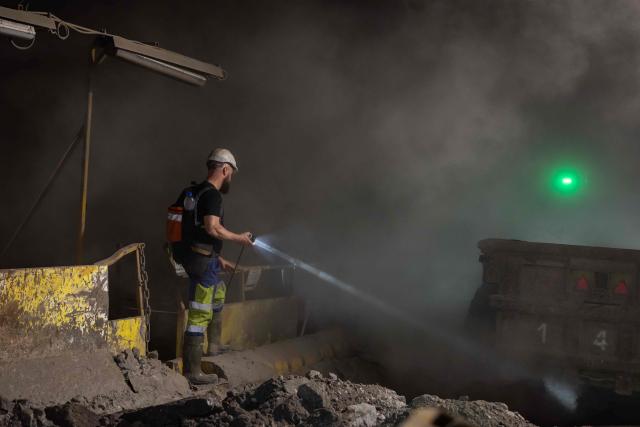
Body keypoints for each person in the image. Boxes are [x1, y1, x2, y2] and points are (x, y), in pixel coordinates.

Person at [176, 148, 253, 385]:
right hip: (201, 263)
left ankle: (215, 346)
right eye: (231, 174)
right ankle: (193, 370)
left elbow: (194, 231)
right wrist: (240, 238)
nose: (230, 179)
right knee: (200, 311)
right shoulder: (213, 195)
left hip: (199, 258)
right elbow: (212, 228)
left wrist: (217, 257)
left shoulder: (191, 192)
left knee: (218, 292)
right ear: (225, 169)